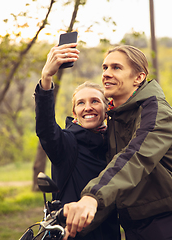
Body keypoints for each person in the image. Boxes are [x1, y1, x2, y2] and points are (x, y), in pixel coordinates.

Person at [63, 45, 172, 240]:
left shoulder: (156, 111)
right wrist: (69, 227)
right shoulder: (116, 119)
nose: (106, 74)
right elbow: (117, 184)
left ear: (138, 78)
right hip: (135, 228)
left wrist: (91, 196)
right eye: (105, 68)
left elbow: (135, 159)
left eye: (116, 68)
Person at [34, 42, 120, 240]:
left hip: (109, 233)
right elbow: (46, 129)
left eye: (95, 101)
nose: (88, 107)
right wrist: (46, 77)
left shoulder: (116, 144)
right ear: (75, 114)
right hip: (71, 234)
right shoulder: (66, 144)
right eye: (81, 103)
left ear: (106, 109)